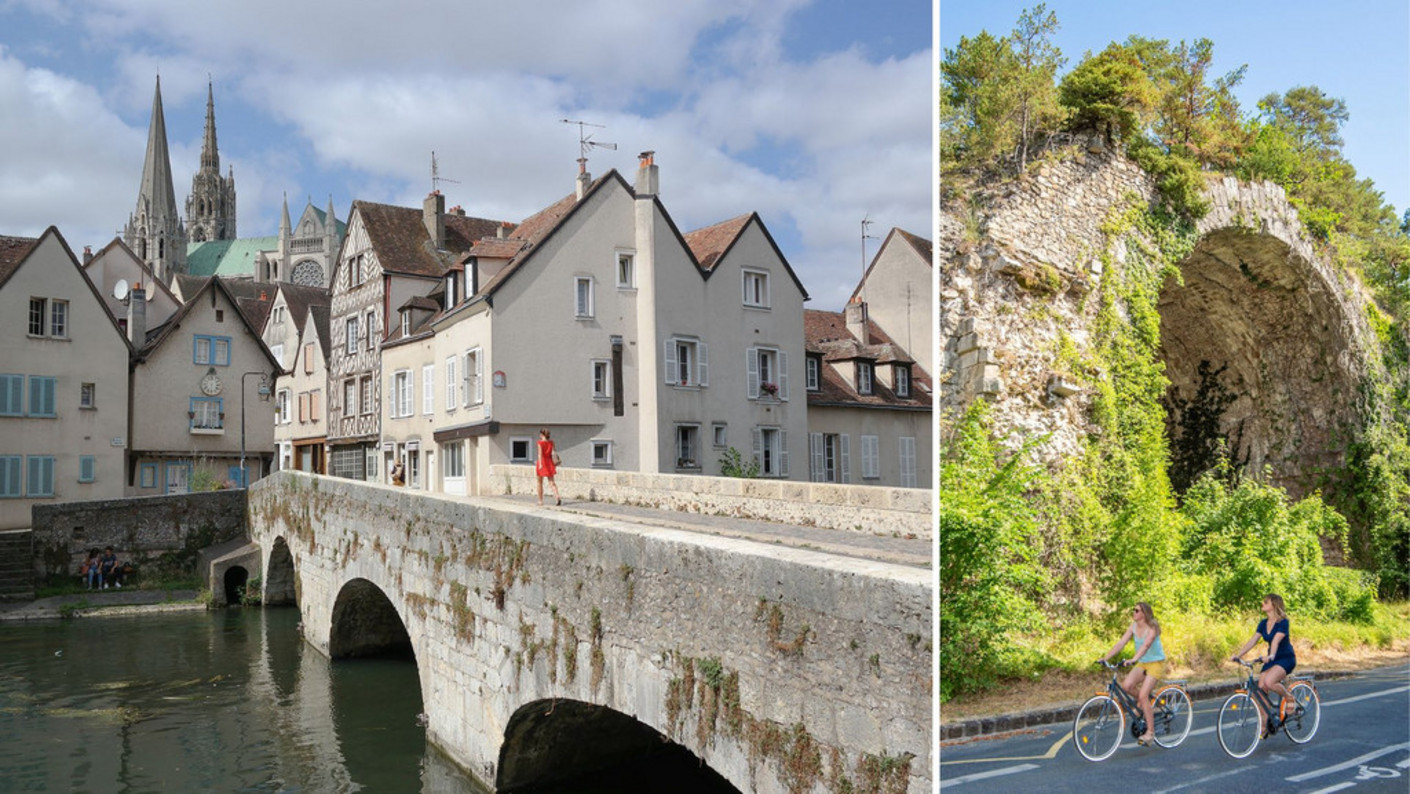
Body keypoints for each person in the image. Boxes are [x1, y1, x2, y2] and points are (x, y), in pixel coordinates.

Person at [1099, 601, 1166, 745]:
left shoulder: (1152, 628)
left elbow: (1146, 645)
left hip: (1156, 663)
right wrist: (1106, 658)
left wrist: (1134, 659)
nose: (1133, 613)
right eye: (1133, 610)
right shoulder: (1134, 626)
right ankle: (1144, 704)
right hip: (1143, 663)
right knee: (1126, 686)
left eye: (1136, 610)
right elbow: (1121, 643)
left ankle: (1150, 733)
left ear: (1144, 614)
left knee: (1142, 695)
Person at [1231, 593, 1296, 735]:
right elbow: (1253, 641)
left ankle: (1289, 697)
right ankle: (1265, 719)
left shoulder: (1283, 622)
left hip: (1285, 658)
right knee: (1259, 690)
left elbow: (1275, 641)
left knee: (1269, 681)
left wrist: (1271, 655)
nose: (1262, 604)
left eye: (1266, 602)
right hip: (1271, 660)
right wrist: (1238, 655)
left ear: (1274, 605)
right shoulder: (1262, 623)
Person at [535, 428, 561, 506]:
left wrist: (540, 465)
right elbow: (553, 452)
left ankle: (540, 501)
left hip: (542, 462)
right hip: (550, 463)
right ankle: (557, 496)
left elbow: (540, 454)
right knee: (552, 482)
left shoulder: (540, 443)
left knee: (540, 482)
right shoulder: (551, 443)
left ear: (542, 435)